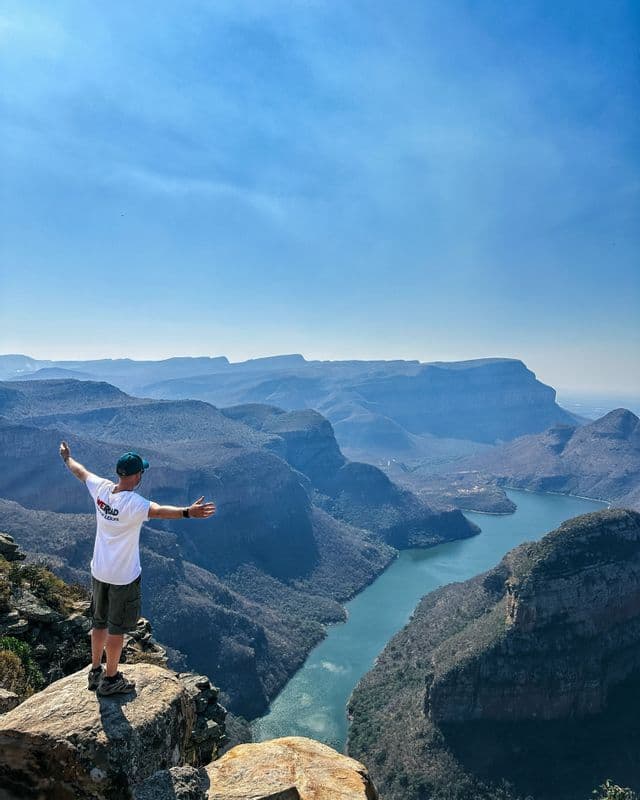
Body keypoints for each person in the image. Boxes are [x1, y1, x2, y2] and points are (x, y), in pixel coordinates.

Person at [59, 441, 216, 695]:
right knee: (116, 628)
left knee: (98, 623)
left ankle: (95, 670)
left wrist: (67, 458)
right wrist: (189, 512)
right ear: (136, 476)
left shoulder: (102, 490)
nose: (142, 475)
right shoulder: (135, 503)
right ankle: (111, 680)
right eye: (141, 472)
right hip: (122, 578)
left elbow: (80, 472)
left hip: (99, 571)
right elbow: (162, 511)